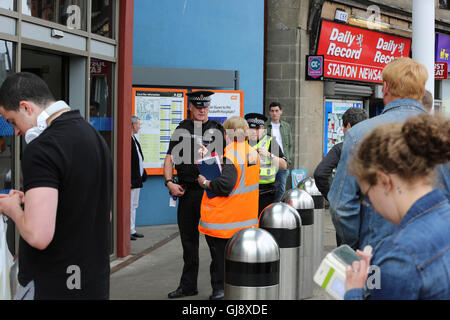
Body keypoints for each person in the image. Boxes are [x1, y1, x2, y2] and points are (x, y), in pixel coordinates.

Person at [0, 72, 113, 299]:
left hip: (53, 284)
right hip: (91, 281)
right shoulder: (94, 136)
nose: (16, 131)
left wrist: (11, 208)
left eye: (12, 121)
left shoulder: (42, 149)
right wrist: (29, 202)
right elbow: (98, 210)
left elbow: (38, 236)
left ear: (26, 107)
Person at [328, 57, 450, 251]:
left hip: (376, 253)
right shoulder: (442, 134)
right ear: (421, 90)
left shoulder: (359, 134)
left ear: (385, 87)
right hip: (435, 252)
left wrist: (356, 247)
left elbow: (341, 205)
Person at [344, 114, 450, 300]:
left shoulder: (399, 256)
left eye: (367, 195)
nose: (373, 209)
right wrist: (379, 271)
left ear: (385, 182)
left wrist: (353, 291)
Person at [164, 91, 225, 299]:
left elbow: (226, 161)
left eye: (205, 106)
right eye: (198, 106)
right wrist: (169, 182)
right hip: (187, 192)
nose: (202, 110)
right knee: (188, 243)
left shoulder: (217, 130)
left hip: (210, 194)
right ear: (190, 107)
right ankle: (188, 286)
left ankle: (219, 287)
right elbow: (169, 158)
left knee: (215, 244)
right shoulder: (182, 129)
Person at [197, 116, 260, 300]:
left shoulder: (231, 155)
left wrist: (205, 183)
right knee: (238, 260)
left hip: (224, 221)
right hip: (245, 218)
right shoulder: (251, 152)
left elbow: (225, 185)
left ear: (227, 134)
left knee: (220, 261)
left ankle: (220, 292)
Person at [314, 107, 368, 201]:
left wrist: (332, 197)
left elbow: (320, 174)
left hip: (347, 205)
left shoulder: (340, 149)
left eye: (343, 127)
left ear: (349, 126)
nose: (343, 130)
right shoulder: (376, 147)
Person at [245, 113, 287, 215]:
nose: (254, 132)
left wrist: (269, 155)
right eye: (251, 128)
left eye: (257, 128)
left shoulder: (270, 142)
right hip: (247, 190)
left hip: (266, 191)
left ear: (263, 129)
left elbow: (284, 165)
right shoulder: (242, 143)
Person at [265, 102, 293, 202]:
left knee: (281, 189)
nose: (274, 113)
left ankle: (276, 206)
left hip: (281, 162)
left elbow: (290, 145)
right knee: (270, 189)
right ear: (269, 112)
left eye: (277, 111)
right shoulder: (265, 126)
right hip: (269, 161)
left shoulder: (286, 126)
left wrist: (288, 160)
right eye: (272, 111)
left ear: (281, 112)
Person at [130, 116, 146, 241]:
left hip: (137, 180)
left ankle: (132, 229)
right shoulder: (127, 139)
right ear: (132, 125)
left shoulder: (133, 139)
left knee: (134, 205)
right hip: (131, 180)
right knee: (129, 205)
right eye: (138, 124)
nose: (139, 127)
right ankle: (128, 230)